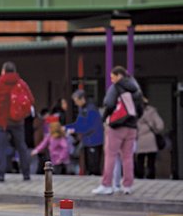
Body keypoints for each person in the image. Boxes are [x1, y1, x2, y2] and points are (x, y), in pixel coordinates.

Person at [92, 66, 144, 195]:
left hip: (116, 127)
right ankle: (127, 186)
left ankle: (107, 185)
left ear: (118, 75)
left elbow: (109, 104)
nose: (111, 79)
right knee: (127, 157)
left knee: (110, 155)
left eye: (112, 76)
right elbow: (141, 109)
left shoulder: (115, 87)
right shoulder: (136, 88)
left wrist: (105, 119)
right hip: (131, 127)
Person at [0, 61, 35, 182]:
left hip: (1, 121)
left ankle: (1, 175)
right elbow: (31, 100)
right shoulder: (21, 83)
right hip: (17, 121)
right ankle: (26, 173)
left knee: (1, 148)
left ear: (3, 71)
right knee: (21, 147)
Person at [65, 89, 104, 176]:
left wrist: (74, 129)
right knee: (88, 164)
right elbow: (79, 123)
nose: (75, 103)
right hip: (87, 140)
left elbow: (89, 126)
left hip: (94, 140)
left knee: (93, 165)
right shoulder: (83, 108)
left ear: (82, 99)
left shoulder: (91, 109)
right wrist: (66, 127)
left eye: (76, 101)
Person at [135, 97, 165, 179]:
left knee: (140, 159)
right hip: (151, 140)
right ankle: (151, 176)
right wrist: (156, 130)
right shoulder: (152, 112)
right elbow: (160, 125)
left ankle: (140, 175)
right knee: (151, 160)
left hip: (140, 139)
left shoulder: (135, 113)